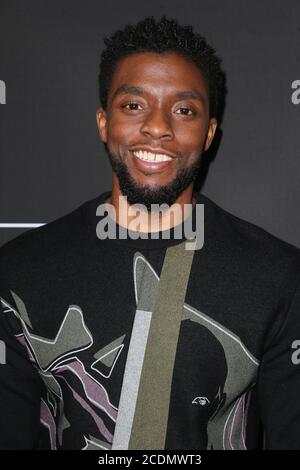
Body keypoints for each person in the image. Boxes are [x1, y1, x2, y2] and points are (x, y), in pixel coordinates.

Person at [0, 14, 300, 450]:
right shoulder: (18, 271)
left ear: (209, 132)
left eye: (184, 110)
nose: (158, 127)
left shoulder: (279, 277)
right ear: (104, 122)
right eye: (134, 105)